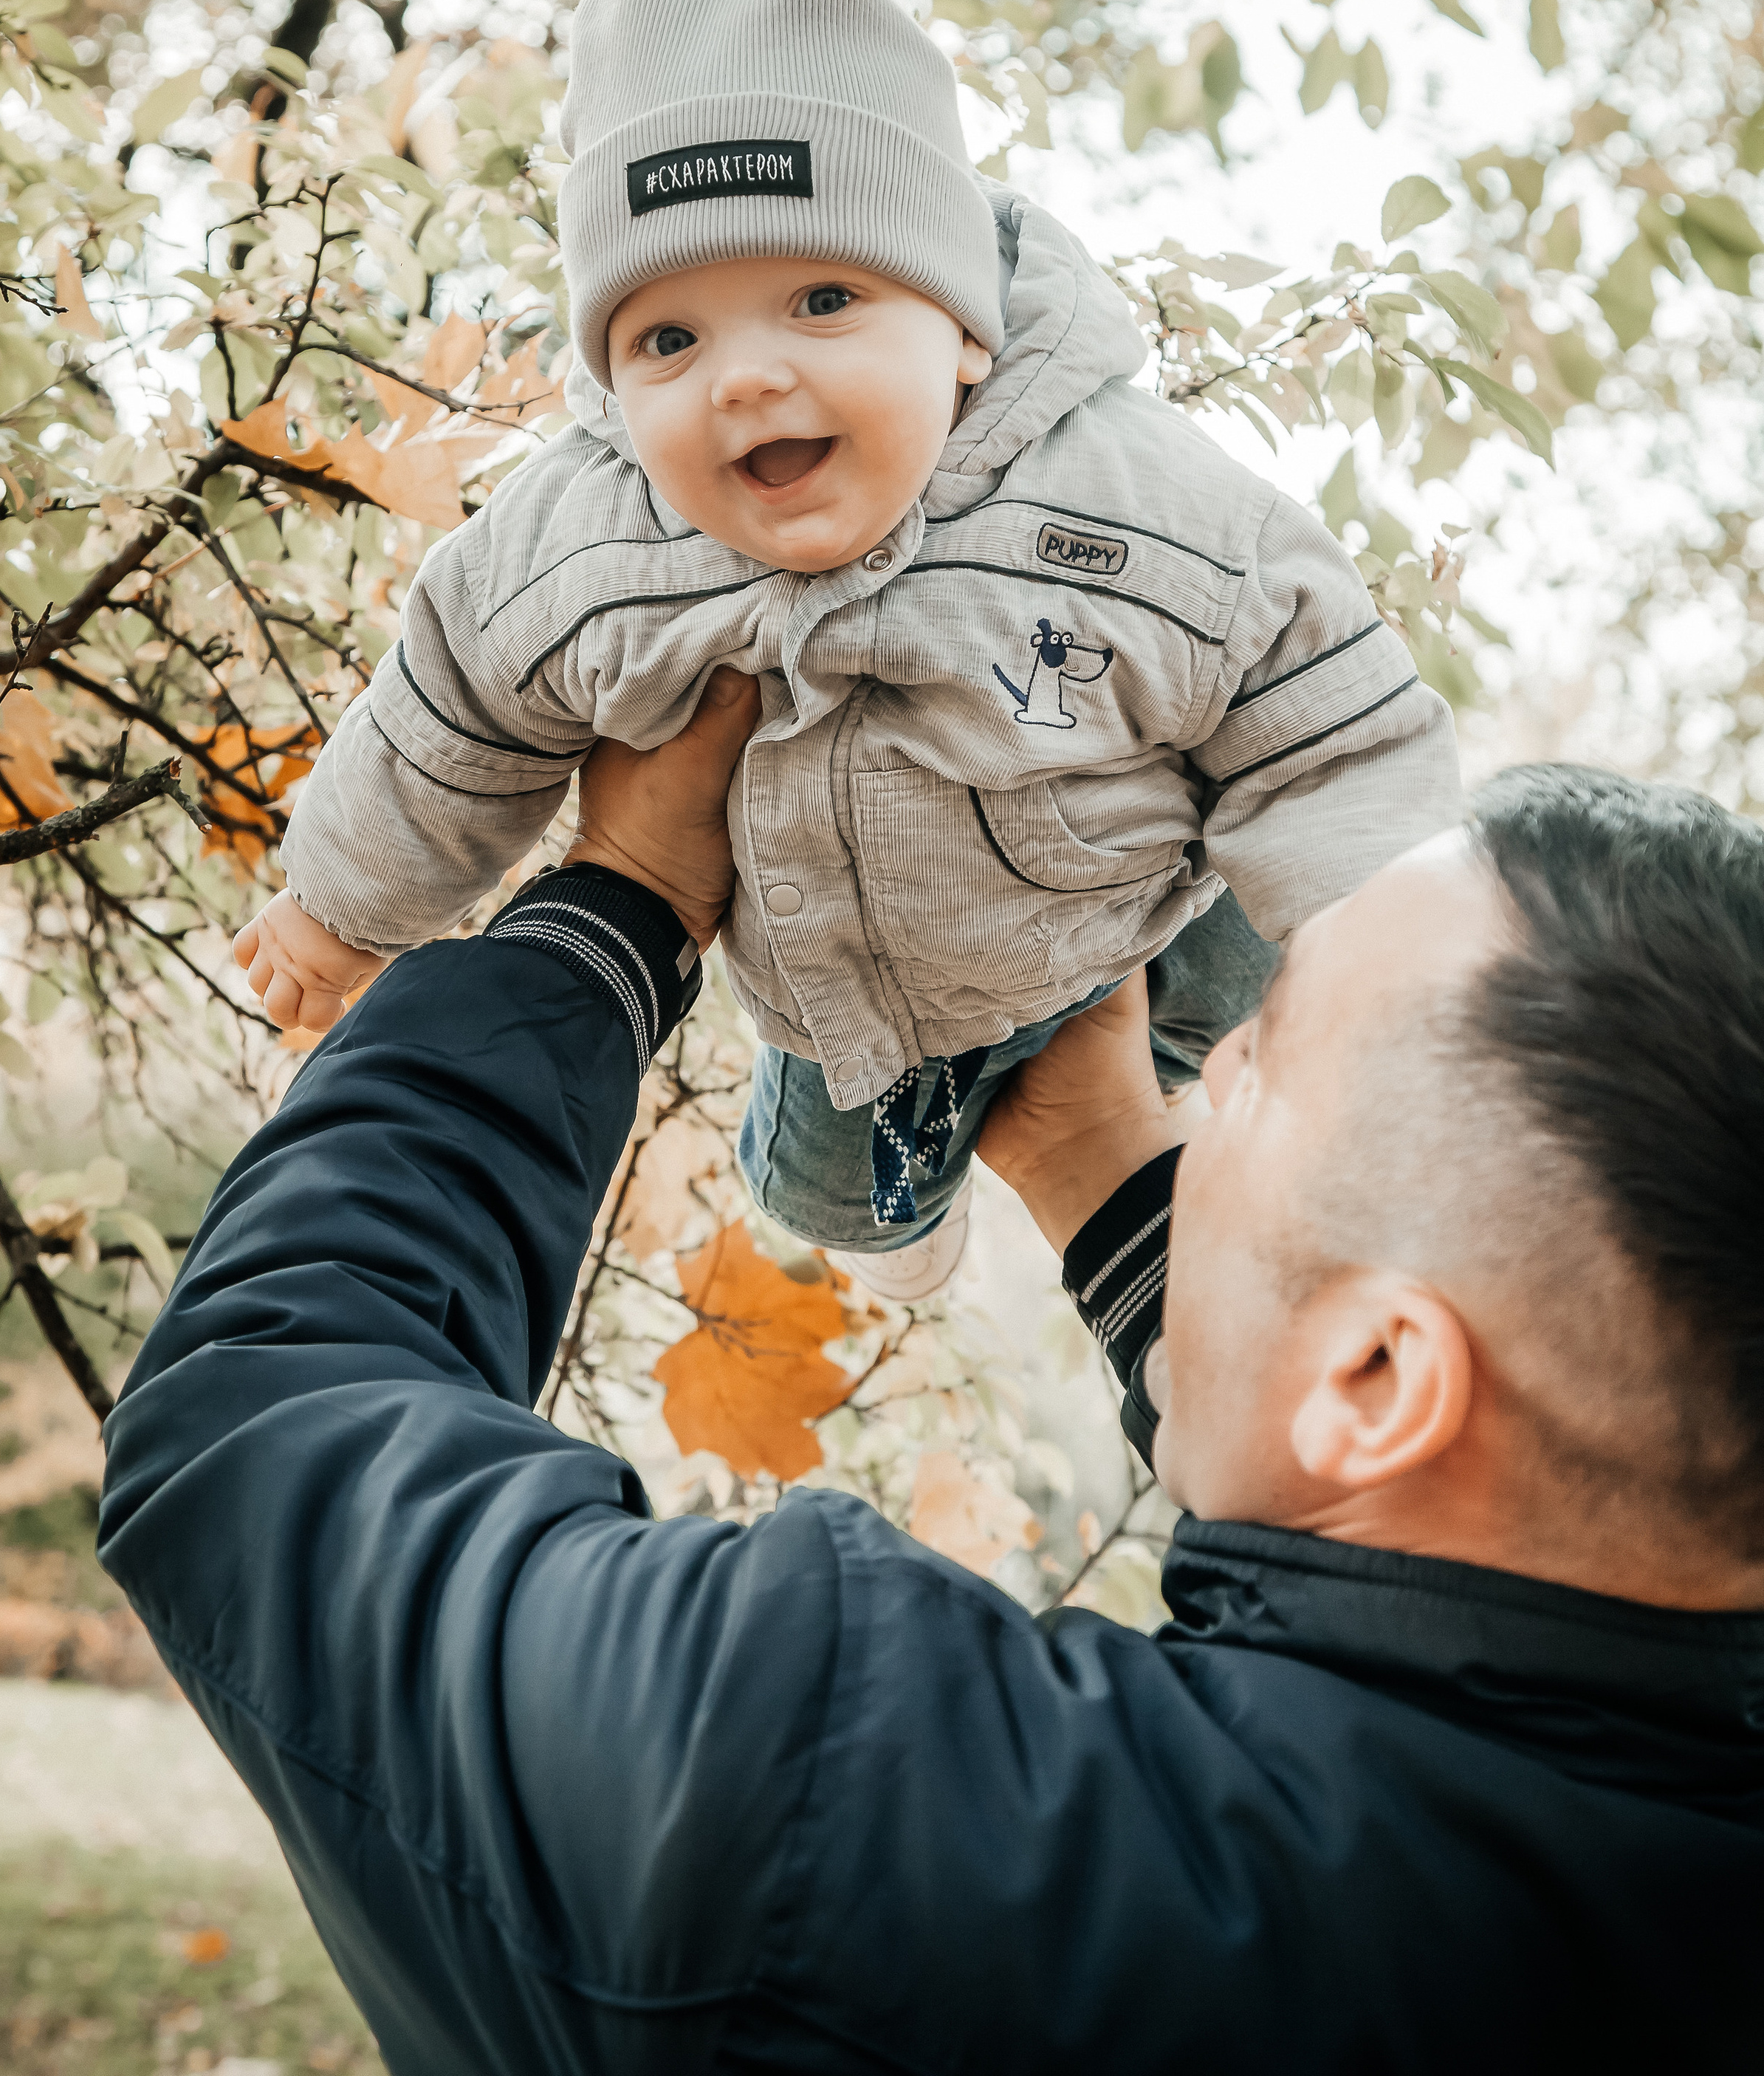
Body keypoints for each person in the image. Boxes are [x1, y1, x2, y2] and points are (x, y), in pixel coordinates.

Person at [104, 679, 1764, 2074]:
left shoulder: (843, 1813)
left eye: (1253, 1060)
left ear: (1383, 1375)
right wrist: (1107, 1167)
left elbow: (263, 1421)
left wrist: (615, 896)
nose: (1217, 1069)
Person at [232, 0, 1458, 1295]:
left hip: (1152, 908)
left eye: (824, 299)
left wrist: (1383, 959)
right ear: (610, 379)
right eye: (667, 339)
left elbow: (1315, 703)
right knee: (827, 1202)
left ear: (962, 327)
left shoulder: (1121, 494)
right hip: (853, 1004)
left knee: (1298, 1033)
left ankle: (1229, 1138)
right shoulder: (580, 539)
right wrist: (336, 899)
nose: (746, 376)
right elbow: (449, 707)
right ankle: (905, 1218)